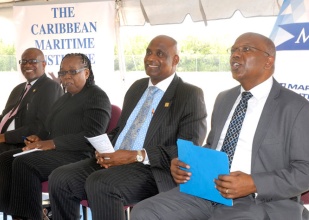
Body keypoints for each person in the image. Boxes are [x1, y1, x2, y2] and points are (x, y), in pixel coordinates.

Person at [130, 32, 309, 220]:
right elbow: (213, 147)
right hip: (208, 189)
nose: (235, 55)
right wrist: (187, 164)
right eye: (233, 50)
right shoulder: (224, 98)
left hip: (258, 201)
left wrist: (254, 183)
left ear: (268, 61)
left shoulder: (295, 107)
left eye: (246, 49)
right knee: (145, 212)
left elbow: (305, 170)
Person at [48, 35, 207, 220]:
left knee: (101, 183)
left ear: (176, 60)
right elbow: (123, 129)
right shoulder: (137, 87)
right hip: (115, 158)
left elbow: (188, 149)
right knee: (60, 178)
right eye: (148, 52)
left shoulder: (189, 95)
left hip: (151, 169)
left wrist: (137, 155)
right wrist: (103, 148)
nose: (150, 58)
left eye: (160, 54)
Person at [0, 53, 112, 220]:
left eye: (73, 72)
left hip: (80, 154)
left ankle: (32, 216)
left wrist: (51, 143)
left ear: (87, 73)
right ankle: (15, 214)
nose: (66, 77)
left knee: (25, 163)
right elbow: (47, 127)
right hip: (57, 151)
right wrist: (38, 138)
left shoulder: (97, 96)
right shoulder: (65, 98)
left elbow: (92, 136)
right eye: (62, 73)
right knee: (4, 160)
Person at [0, 48, 63, 174]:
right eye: (24, 61)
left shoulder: (51, 87)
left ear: (43, 64)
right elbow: (4, 117)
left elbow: (41, 126)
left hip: (20, 144)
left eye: (32, 61)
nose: (27, 65)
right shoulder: (18, 88)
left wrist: (1, 138)